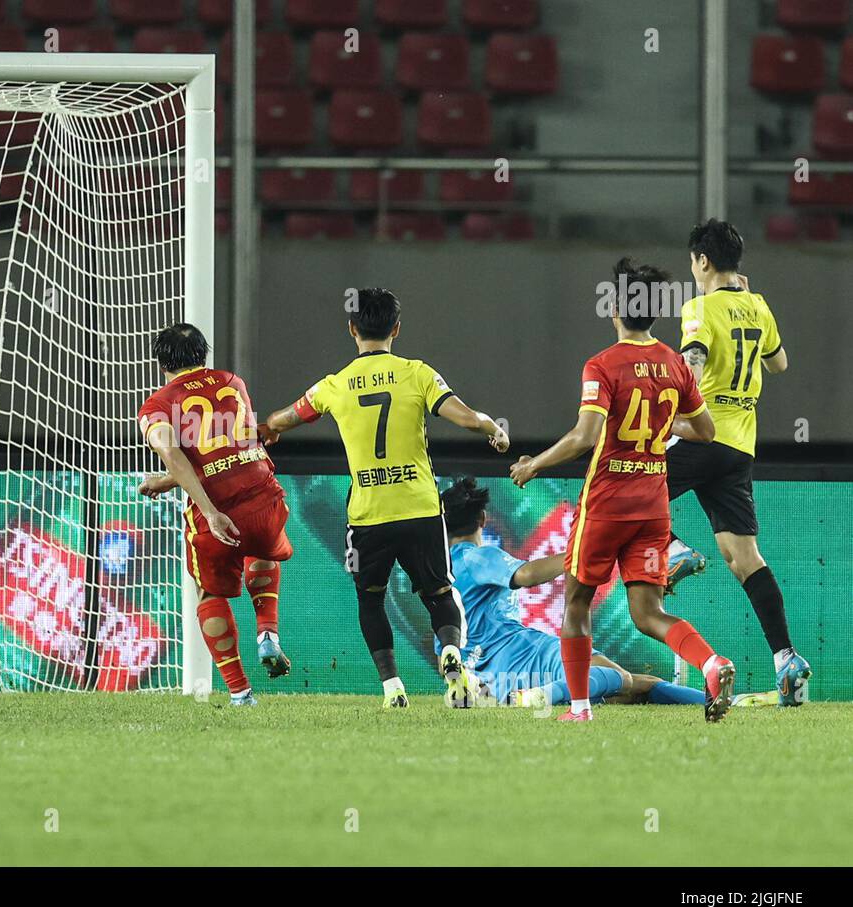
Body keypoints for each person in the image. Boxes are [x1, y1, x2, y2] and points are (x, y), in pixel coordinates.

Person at [260, 287, 509, 709]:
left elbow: (284, 417)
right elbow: (467, 416)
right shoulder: (417, 373)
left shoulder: (333, 385)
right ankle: (449, 649)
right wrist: (493, 430)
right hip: (420, 509)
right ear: (396, 328)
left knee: (370, 599)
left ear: (351, 328)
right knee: (439, 593)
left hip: (368, 516)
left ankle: (392, 687)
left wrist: (271, 428)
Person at [510, 258, 734, 723]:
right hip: (653, 508)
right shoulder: (675, 365)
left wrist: (535, 464)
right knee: (648, 612)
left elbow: (584, 437)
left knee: (576, 600)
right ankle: (712, 663)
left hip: (607, 504)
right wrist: (658, 422)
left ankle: (579, 709)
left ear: (614, 308)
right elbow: (706, 430)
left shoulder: (602, 365)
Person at [668, 219, 811, 705]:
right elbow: (780, 364)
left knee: (625, 481)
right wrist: (748, 307)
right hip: (739, 449)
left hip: (701, 435)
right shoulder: (759, 306)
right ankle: (786, 658)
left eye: (693, 262)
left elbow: (690, 363)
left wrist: (671, 417)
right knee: (743, 557)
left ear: (702, 261)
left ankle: (671, 550)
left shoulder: (699, 308)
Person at [440, 477, 706, 708]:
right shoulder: (477, 556)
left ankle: (523, 694)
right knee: (624, 680)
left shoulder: (438, 570)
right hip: (527, 654)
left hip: (488, 674)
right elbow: (527, 575)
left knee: (628, 691)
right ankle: (544, 695)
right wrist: (582, 555)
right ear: (483, 519)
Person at [137, 323, 292, 706]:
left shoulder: (157, 405)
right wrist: (167, 482)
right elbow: (222, 451)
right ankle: (267, 633)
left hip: (219, 511)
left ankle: (240, 693)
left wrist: (209, 510)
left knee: (207, 592)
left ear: (161, 364)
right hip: (267, 500)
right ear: (203, 356)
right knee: (263, 548)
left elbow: (173, 452)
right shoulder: (232, 382)